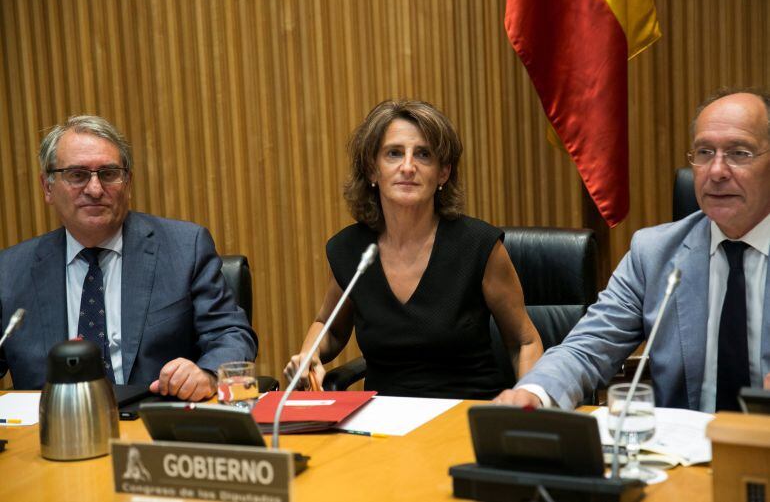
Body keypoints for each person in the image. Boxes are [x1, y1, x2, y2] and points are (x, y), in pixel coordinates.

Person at [496, 88, 770, 412]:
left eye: (739, 153)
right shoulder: (654, 253)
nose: (717, 171)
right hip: (683, 455)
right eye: (705, 152)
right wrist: (535, 392)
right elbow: (588, 347)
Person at [284, 100, 543, 399]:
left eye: (423, 154)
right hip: (385, 423)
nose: (408, 167)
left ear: (443, 173)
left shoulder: (478, 246)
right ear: (372, 169)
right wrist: (309, 355)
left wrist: (527, 402)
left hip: (465, 415)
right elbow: (329, 328)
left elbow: (524, 341)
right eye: (394, 153)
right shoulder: (352, 250)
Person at [0, 115, 257, 401]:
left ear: (128, 183)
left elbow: (231, 334)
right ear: (48, 187)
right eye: (77, 175)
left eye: (109, 174)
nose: (95, 189)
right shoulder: (9, 272)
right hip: (51, 431)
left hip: (155, 422)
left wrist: (207, 374)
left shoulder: (184, 249)